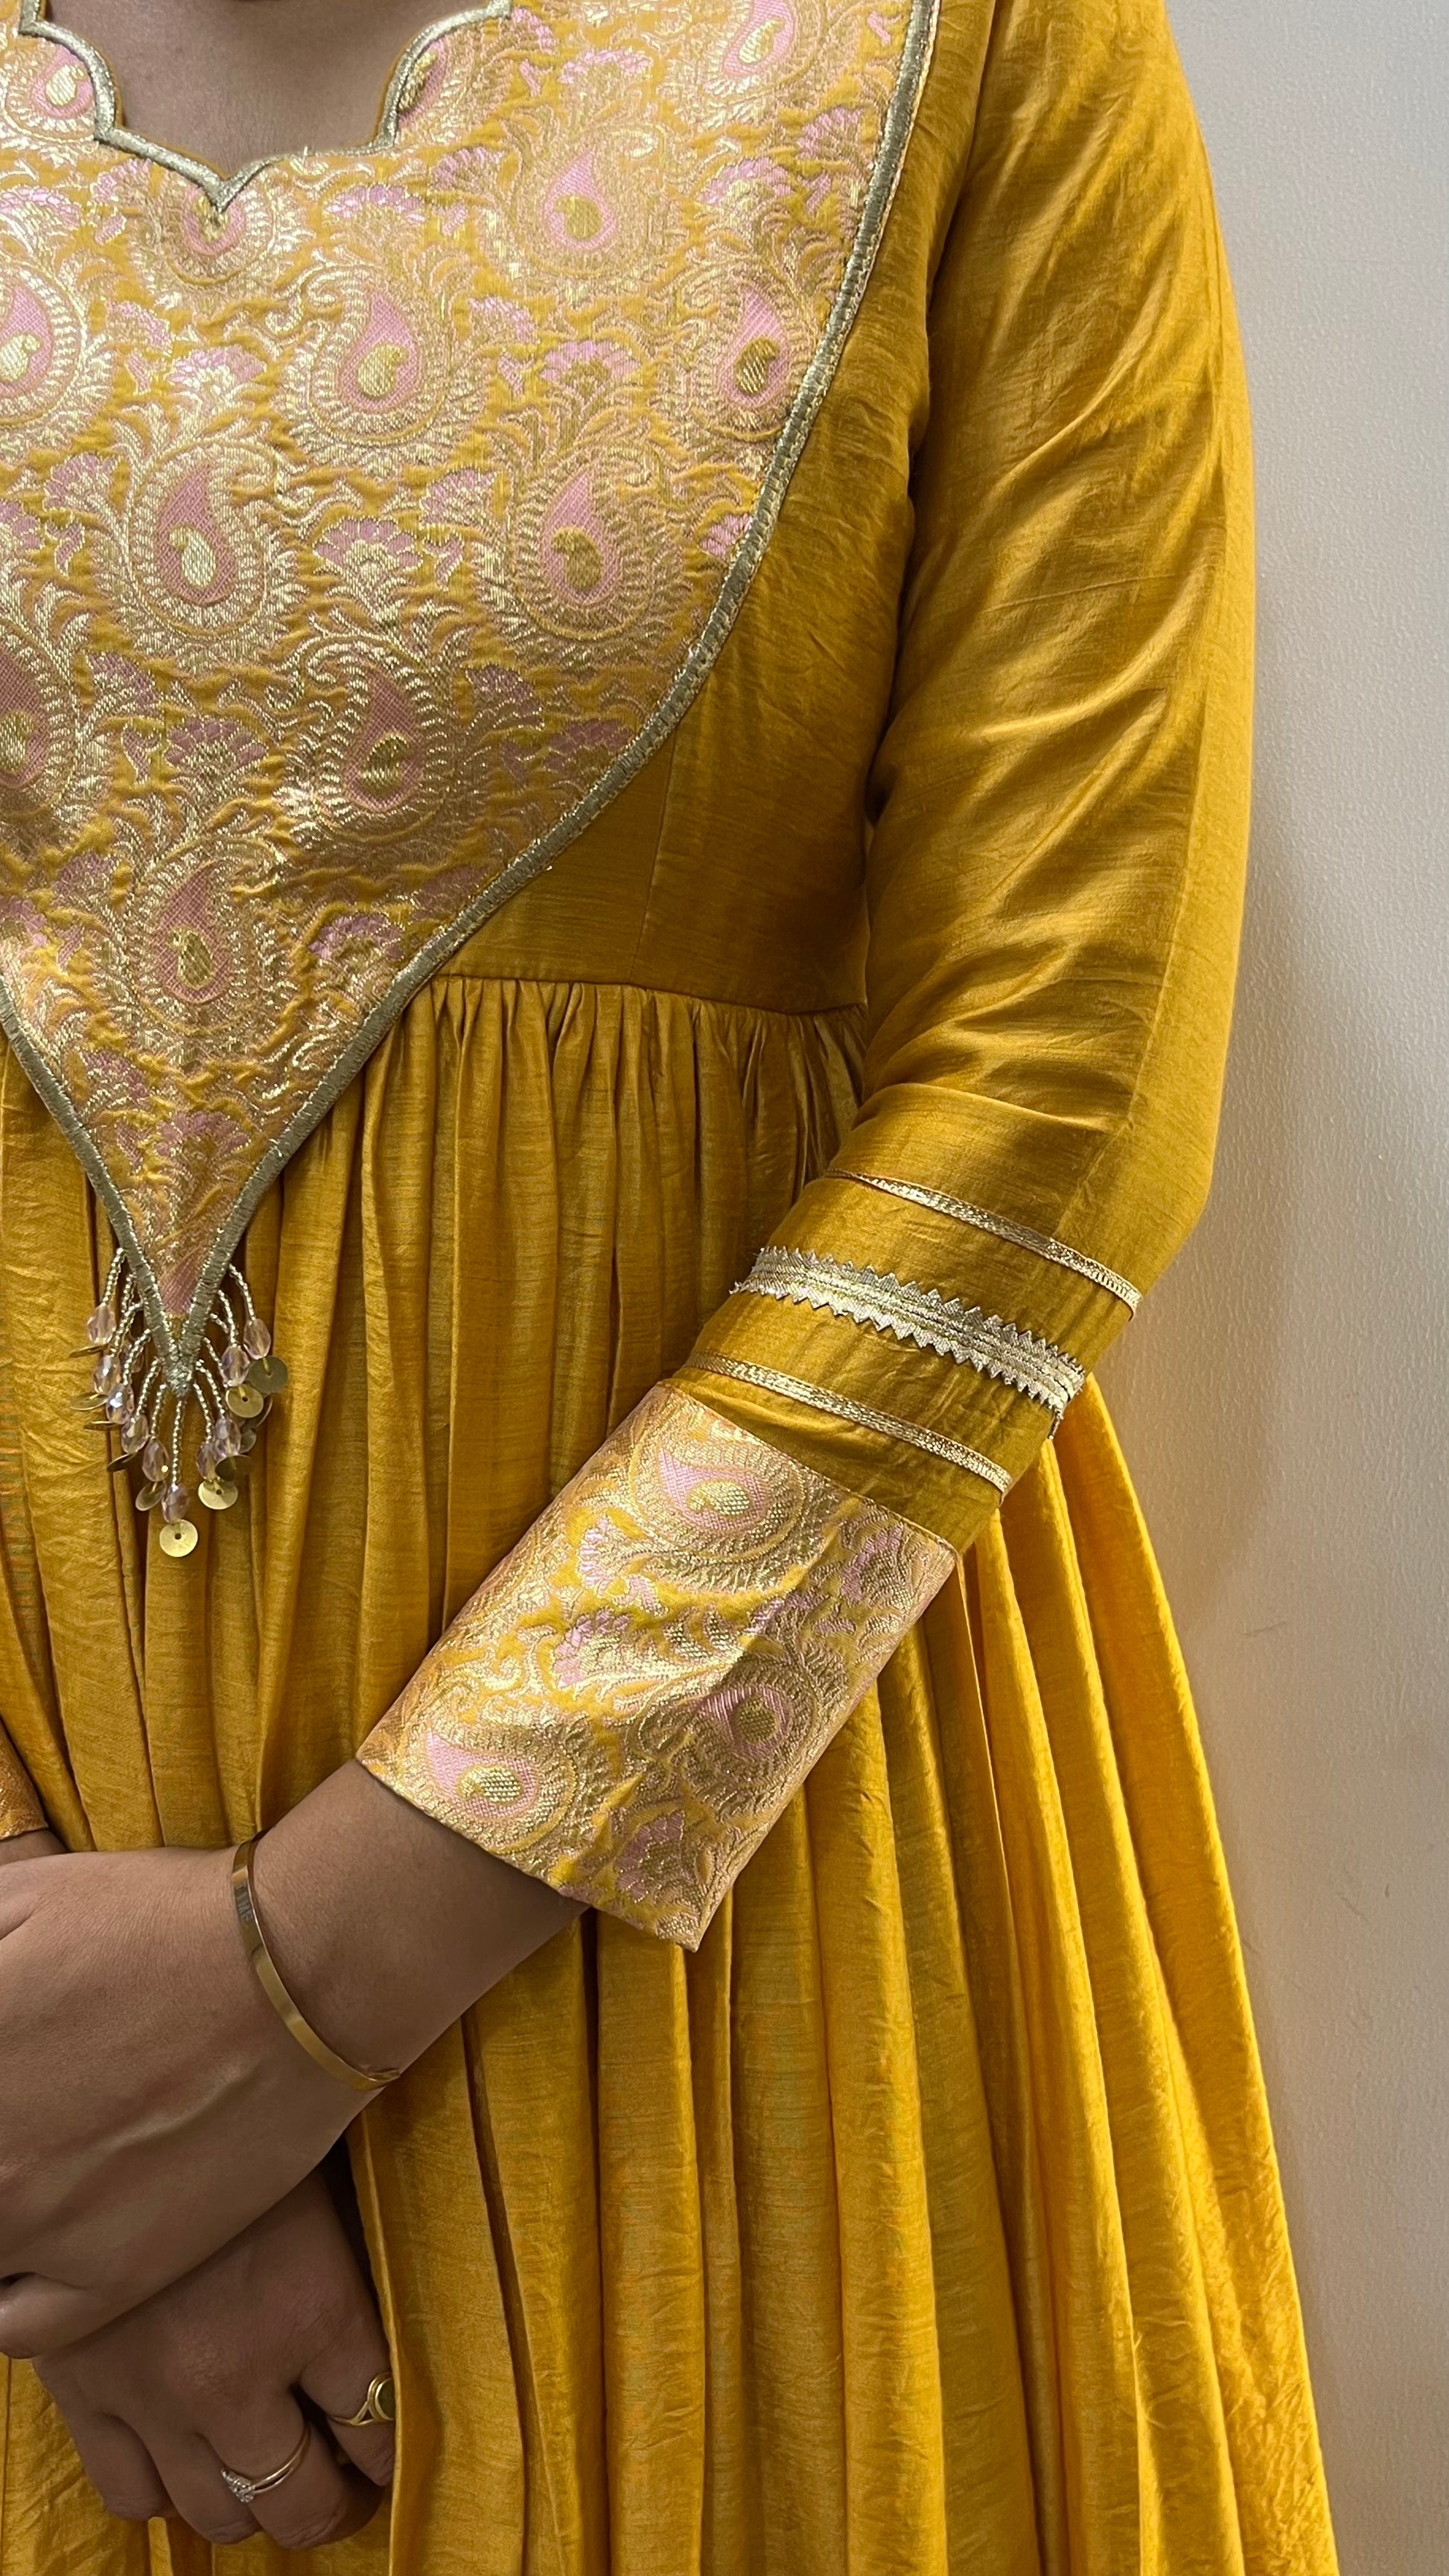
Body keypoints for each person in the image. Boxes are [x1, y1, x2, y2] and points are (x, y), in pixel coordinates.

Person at [0, 0, 1341, 2565]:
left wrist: (310, 1975)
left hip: (710, 1918)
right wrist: (59, 2090)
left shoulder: (964, 44)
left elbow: (1063, 1088)